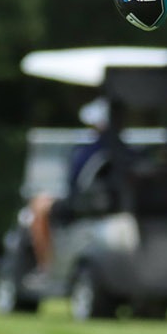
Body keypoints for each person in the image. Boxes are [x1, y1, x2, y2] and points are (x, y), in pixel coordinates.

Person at [25, 97, 121, 271]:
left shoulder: (89, 149)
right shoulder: (126, 149)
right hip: (112, 203)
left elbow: (73, 182)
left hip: (84, 205)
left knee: (38, 207)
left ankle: (46, 267)